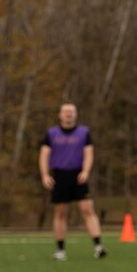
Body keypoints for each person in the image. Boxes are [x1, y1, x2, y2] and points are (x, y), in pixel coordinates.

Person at [39, 102, 106, 261]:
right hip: (60, 175)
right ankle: (60, 250)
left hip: (78, 175)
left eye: (71, 111)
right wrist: (45, 175)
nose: (68, 114)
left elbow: (89, 153)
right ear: (60, 114)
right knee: (61, 212)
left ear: (76, 114)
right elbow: (44, 155)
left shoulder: (84, 133)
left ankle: (98, 245)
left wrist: (85, 171)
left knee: (87, 209)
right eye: (65, 111)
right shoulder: (51, 134)